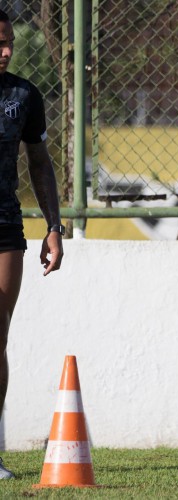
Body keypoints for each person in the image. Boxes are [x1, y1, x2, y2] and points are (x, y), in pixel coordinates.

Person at [0, 9, 64, 479]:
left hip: (4, 228)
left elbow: (40, 164)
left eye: (8, 43)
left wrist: (54, 226)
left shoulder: (24, 95)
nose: (5, 51)